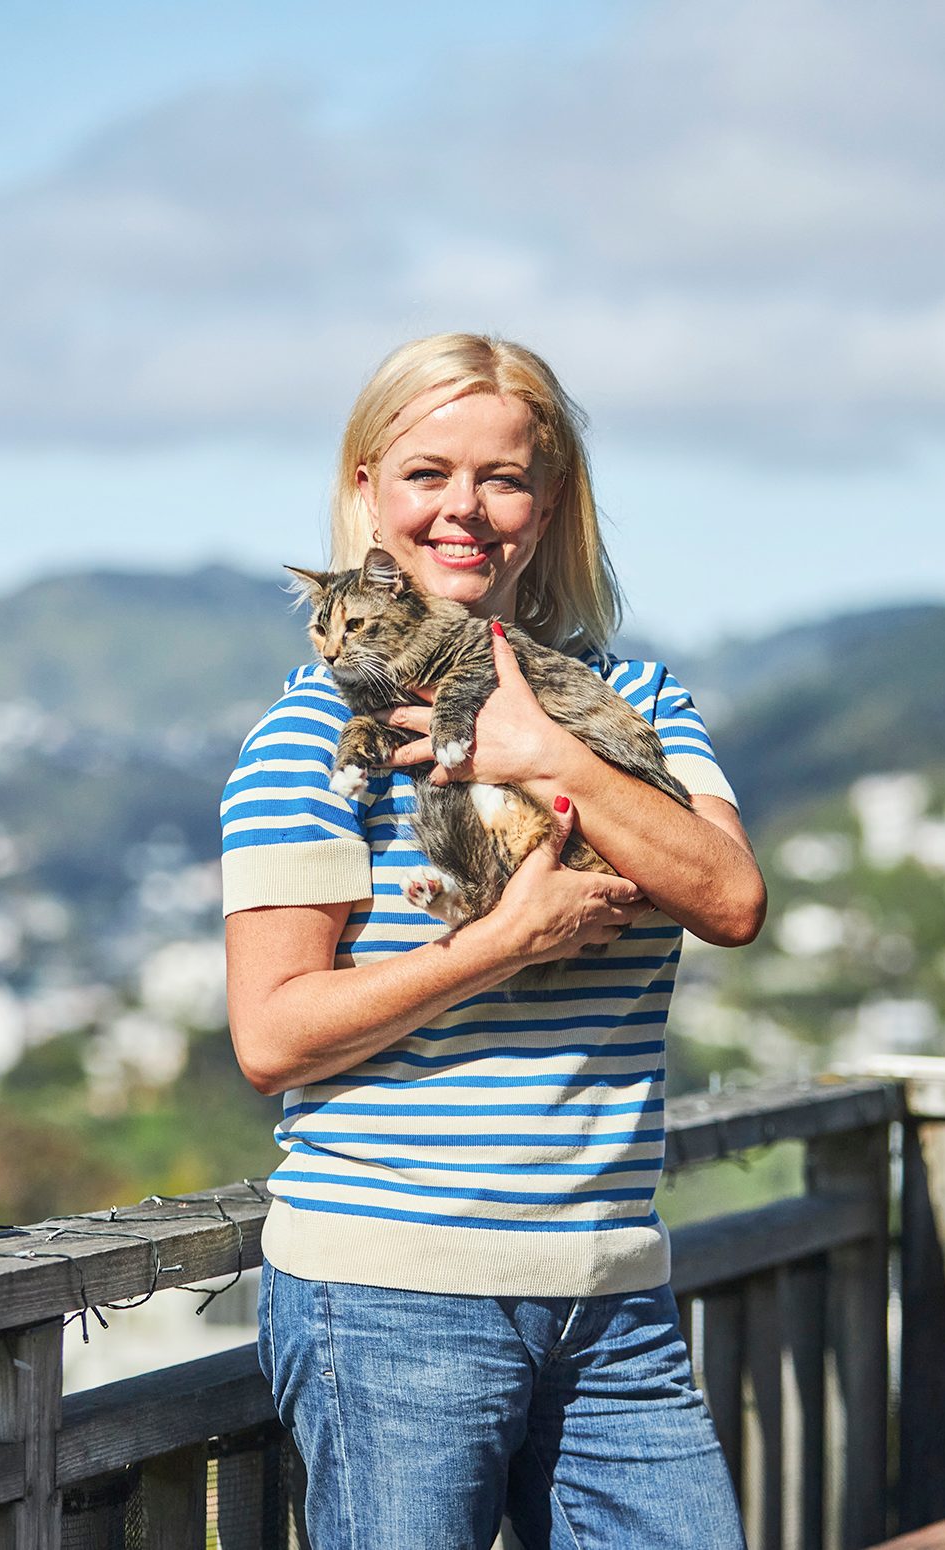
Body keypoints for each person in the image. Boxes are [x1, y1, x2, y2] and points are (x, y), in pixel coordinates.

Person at [221, 333, 765, 1549]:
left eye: (502, 477)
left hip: (612, 1297)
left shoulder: (644, 701)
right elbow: (269, 1035)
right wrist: (505, 940)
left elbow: (727, 895)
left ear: (548, 502)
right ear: (366, 489)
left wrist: (545, 755)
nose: (463, 509)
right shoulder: (311, 738)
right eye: (425, 473)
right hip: (389, 1298)